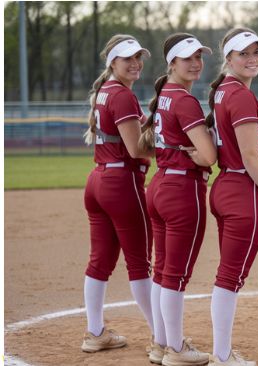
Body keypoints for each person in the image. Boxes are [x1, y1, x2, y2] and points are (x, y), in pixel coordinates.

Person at [206, 27, 258, 366]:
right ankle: (222, 355)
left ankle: (223, 352)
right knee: (230, 277)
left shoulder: (224, 91)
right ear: (229, 58)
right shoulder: (239, 95)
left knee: (228, 274)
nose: (252, 58)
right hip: (244, 190)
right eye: (244, 53)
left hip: (226, 186)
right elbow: (251, 156)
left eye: (256, 52)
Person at [140, 33, 216, 366]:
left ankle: (160, 343)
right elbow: (209, 155)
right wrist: (199, 153)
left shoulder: (165, 95)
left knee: (162, 272)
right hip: (182, 190)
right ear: (172, 62)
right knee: (175, 275)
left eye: (199, 57)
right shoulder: (184, 100)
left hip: (159, 187)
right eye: (188, 58)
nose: (196, 63)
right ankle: (175, 349)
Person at [81, 34, 155, 357]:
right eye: (128, 58)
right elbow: (137, 148)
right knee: (140, 264)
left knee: (100, 262)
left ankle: (95, 332)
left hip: (98, 181)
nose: (136, 63)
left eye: (138, 57)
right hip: (121, 184)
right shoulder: (122, 96)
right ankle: (163, 335)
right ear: (112, 62)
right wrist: (174, 142)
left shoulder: (106, 91)